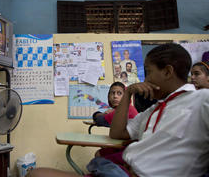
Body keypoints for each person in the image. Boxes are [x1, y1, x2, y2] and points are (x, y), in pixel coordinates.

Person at [27, 43, 209, 177]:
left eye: (148, 71)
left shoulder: (200, 100)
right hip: (119, 171)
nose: (145, 78)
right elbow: (117, 133)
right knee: (36, 174)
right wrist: (128, 92)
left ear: (168, 72)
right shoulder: (156, 109)